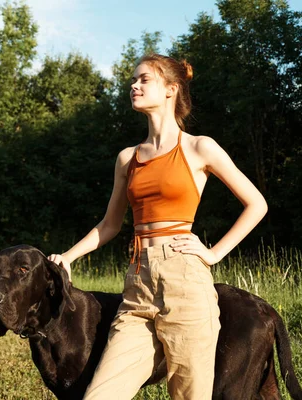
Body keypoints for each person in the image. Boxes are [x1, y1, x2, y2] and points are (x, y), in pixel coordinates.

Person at [48, 53, 268, 400]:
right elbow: (109, 224)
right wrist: (69, 257)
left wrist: (212, 254)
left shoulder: (199, 147)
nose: (134, 86)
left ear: (171, 88)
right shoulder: (127, 158)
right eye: (133, 81)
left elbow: (256, 203)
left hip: (186, 284)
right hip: (138, 288)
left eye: (143, 79)